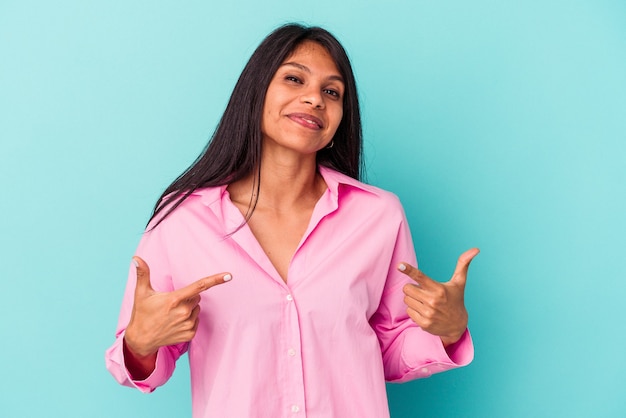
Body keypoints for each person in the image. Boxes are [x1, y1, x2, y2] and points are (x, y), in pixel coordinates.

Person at [105, 23, 478, 418]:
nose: (314, 99)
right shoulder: (184, 219)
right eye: (294, 79)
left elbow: (389, 349)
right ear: (256, 93)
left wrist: (448, 331)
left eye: (331, 92)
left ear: (339, 119)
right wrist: (140, 344)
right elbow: (140, 361)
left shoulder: (378, 216)